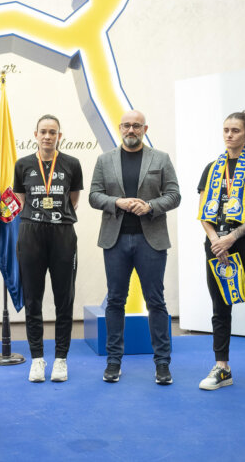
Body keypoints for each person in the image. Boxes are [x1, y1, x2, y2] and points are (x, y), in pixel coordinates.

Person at [89, 110, 181, 384]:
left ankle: (162, 364)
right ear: (120, 128)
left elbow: (175, 195)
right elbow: (94, 195)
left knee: (156, 301)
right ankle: (113, 362)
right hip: (115, 239)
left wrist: (150, 206)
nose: (131, 130)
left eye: (136, 126)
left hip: (150, 240)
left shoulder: (160, 158)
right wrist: (116, 202)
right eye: (127, 126)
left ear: (144, 128)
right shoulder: (104, 160)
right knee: (115, 300)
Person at [196, 111, 245, 398]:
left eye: (236, 131)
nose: (230, 135)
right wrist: (215, 239)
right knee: (220, 308)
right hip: (217, 244)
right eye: (226, 130)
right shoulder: (212, 168)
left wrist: (233, 236)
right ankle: (222, 368)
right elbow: (202, 208)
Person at [13, 114, 83, 383]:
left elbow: (73, 201)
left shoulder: (72, 164)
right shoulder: (23, 165)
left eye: (53, 132)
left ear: (59, 136)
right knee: (33, 298)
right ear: (35, 134)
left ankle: (61, 359)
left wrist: (55, 214)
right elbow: (21, 200)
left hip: (63, 233)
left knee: (64, 298)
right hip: (31, 233)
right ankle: (37, 359)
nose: (47, 136)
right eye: (43, 131)